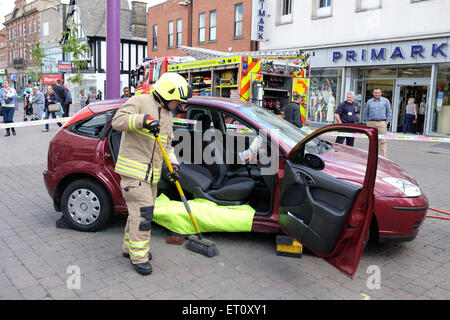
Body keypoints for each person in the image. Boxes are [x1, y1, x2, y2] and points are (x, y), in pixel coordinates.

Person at [111, 72, 191, 275]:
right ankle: (140, 258)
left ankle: (129, 248)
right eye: (176, 101)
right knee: (143, 216)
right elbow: (117, 121)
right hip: (134, 174)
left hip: (151, 177)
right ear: (166, 94)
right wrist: (141, 120)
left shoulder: (168, 116)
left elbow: (167, 146)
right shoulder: (139, 101)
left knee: (137, 214)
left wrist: (174, 166)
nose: (178, 105)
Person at [364, 88, 392, 158]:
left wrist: (387, 122)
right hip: (371, 123)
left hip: (382, 123)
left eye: (378, 93)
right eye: (375, 93)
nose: (377, 94)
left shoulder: (385, 101)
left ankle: (382, 158)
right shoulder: (369, 101)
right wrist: (366, 122)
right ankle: (372, 157)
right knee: (372, 141)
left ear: (381, 93)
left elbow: (389, 112)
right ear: (373, 93)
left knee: (382, 141)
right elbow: (366, 113)